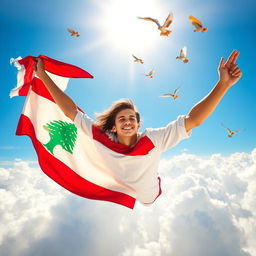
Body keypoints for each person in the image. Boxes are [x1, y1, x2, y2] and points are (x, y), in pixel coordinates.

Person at [34, 50, 242, 205]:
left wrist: (222, 84)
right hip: (117, 193)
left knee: (148, 200)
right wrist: (43, 76)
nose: (127, 122)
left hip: (148, 196)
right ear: (113, 127)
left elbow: (193, 120)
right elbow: (71, 111)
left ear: (138, 124)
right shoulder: (100, 136)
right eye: (122, 119)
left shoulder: (152, 140)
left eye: (132, 119)